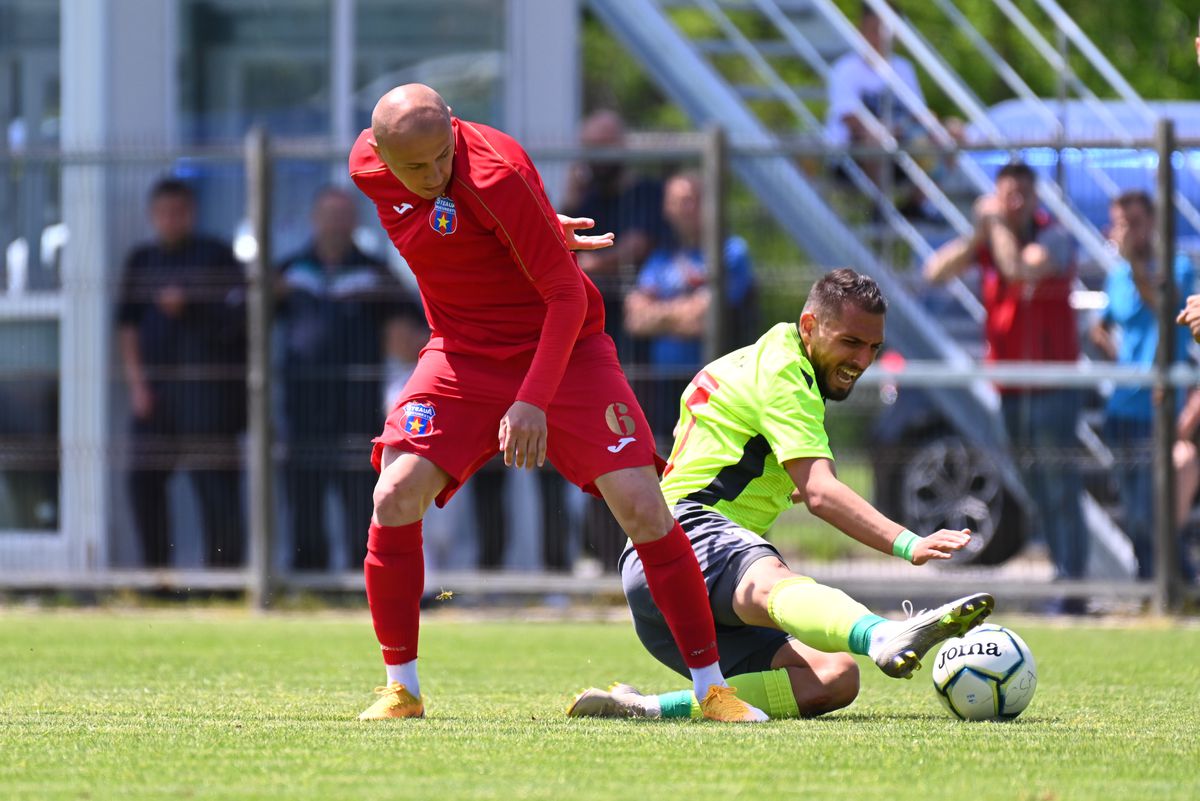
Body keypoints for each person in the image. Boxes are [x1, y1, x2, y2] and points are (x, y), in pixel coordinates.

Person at [348, 83, 764, 723]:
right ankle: (401, 689)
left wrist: (531, 401)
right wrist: (530, 231)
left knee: (643, 506)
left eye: (442, 158)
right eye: (416, 168)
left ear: (455, 127)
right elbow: (452, 229)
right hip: (461, 353)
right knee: (393, 495)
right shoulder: (365, 168)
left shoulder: (498, 173)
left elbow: (567, 298)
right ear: (378, 153)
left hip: (563, 350)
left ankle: (714, 690)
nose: (434, 176)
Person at [568, 269, 993, 720]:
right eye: (850, 342)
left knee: (833, 677)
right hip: (685, 538)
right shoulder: (786, 373)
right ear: (809, 326)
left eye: (874, 347)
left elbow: (736, 462)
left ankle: (643, 708)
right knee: (769, 578)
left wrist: (782, 487)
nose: (863, 360)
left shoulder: (755, 361)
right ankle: (882, 635)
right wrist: (910, 543)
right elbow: (821, 494)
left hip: (667, 596)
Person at [923, 161, 1089, 587]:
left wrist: (993, 222)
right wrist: (979, 233)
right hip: (1012, 385)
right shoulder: (991, 240)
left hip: (1053, 386)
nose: (1012, 204)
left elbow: (1018, 267)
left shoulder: (1052, 235)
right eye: (1004, 195)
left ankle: (1073, 581)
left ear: (1034, 198)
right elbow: (935, 272)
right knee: (1034, 484)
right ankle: (1062, 571)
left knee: (1060, 485)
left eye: (1020, 195)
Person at [277, 186, 418, 570]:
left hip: (357, 405)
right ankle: (310, 581)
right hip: (303, 404)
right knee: (304, 495)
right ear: (314, 219)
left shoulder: (374, 273)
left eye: (343, 216)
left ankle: (364, 578)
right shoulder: (290, 271)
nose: (335, 224)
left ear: (355, 222)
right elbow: (244, 319)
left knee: (360, 496)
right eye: (328, 215)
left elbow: (415, 327)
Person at [116, 177, 246, 567]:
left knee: (216, 489)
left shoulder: (217, 257)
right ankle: (157, 577)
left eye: (180, 212)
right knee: (143, 482)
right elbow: (127, 327)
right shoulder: (142, 261)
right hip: (157, 397)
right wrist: (137, 385)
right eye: (164, 213)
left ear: (192, 213)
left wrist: (190, 306)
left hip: (209, 398)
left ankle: (224, 582)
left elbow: (238, 320)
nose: (172, 220)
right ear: (152, 216)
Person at [1088, 191, 1195, 580]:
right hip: (1122, 409)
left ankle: (1175, 583)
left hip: (1160, 411)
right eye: (1121, 223)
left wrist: (1134, 264)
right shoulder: (1116, 275)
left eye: (1134, 222)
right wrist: (1111, 349)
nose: (1127, 231)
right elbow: (1102, 324)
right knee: (1135, 513)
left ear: (1152, 223)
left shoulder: (1178, 268)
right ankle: (1155, 584)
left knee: (1158, 511)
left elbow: (1164, 310)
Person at [624, 170, 758, 446]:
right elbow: (635, 319)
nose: (686, 209)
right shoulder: (660, 258)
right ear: (666, 208)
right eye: (677, 201)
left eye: (692, 199)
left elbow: (705, 318)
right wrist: (684, 312)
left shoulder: (731, 252)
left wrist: (660, 313)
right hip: (664, 386)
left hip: (715, 384)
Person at [559, 108, 669, 359]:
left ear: (621, 145)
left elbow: (636, 247)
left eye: (603, 147)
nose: (596, 158)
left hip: (637, 321)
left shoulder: (648, 193)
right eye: (590, 149)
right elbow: (560, 243)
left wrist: (588, 265)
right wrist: (570, 202)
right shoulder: (587, 199)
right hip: (593, 320)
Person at [825, 1, 927, 215]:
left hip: (901, 146)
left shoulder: (903, 68)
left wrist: (905, 128)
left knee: (946, 134)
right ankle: (880, 213)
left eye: (887, 28)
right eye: (875, 28)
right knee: (876, 139)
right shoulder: (846, 68)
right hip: (852, 155)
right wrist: (888, 131)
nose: (880, 36)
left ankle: (915, 208)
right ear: (861, 28)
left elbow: (920, 116)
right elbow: (849, 118)